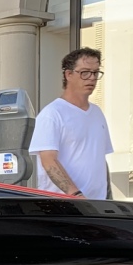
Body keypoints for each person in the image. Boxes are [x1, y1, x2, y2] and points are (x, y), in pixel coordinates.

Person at [28, 47, 113, 199]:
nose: (92, 78)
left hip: (97, 206)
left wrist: (108, 199)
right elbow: (48, 160)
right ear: (68, 74)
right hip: (63, 206)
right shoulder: (52, 114)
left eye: (95, 72)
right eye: (85, 72)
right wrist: (75, 194)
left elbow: (100, 160)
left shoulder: (97, 113)